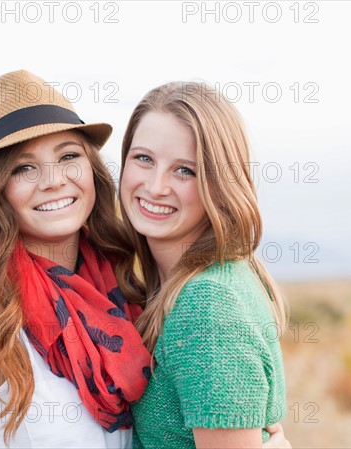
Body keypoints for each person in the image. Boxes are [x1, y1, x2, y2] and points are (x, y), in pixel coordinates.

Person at [0, 71, 290, 449]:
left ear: (92, 169)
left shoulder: (121, 294)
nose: (52, 181)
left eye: (68, 156)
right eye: (24, 167)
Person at [119, 82, 289, 449]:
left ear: (219, 183)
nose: (156, 186)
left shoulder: (206, 306)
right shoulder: (205, 280)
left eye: (185, 171)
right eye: (144, 158)